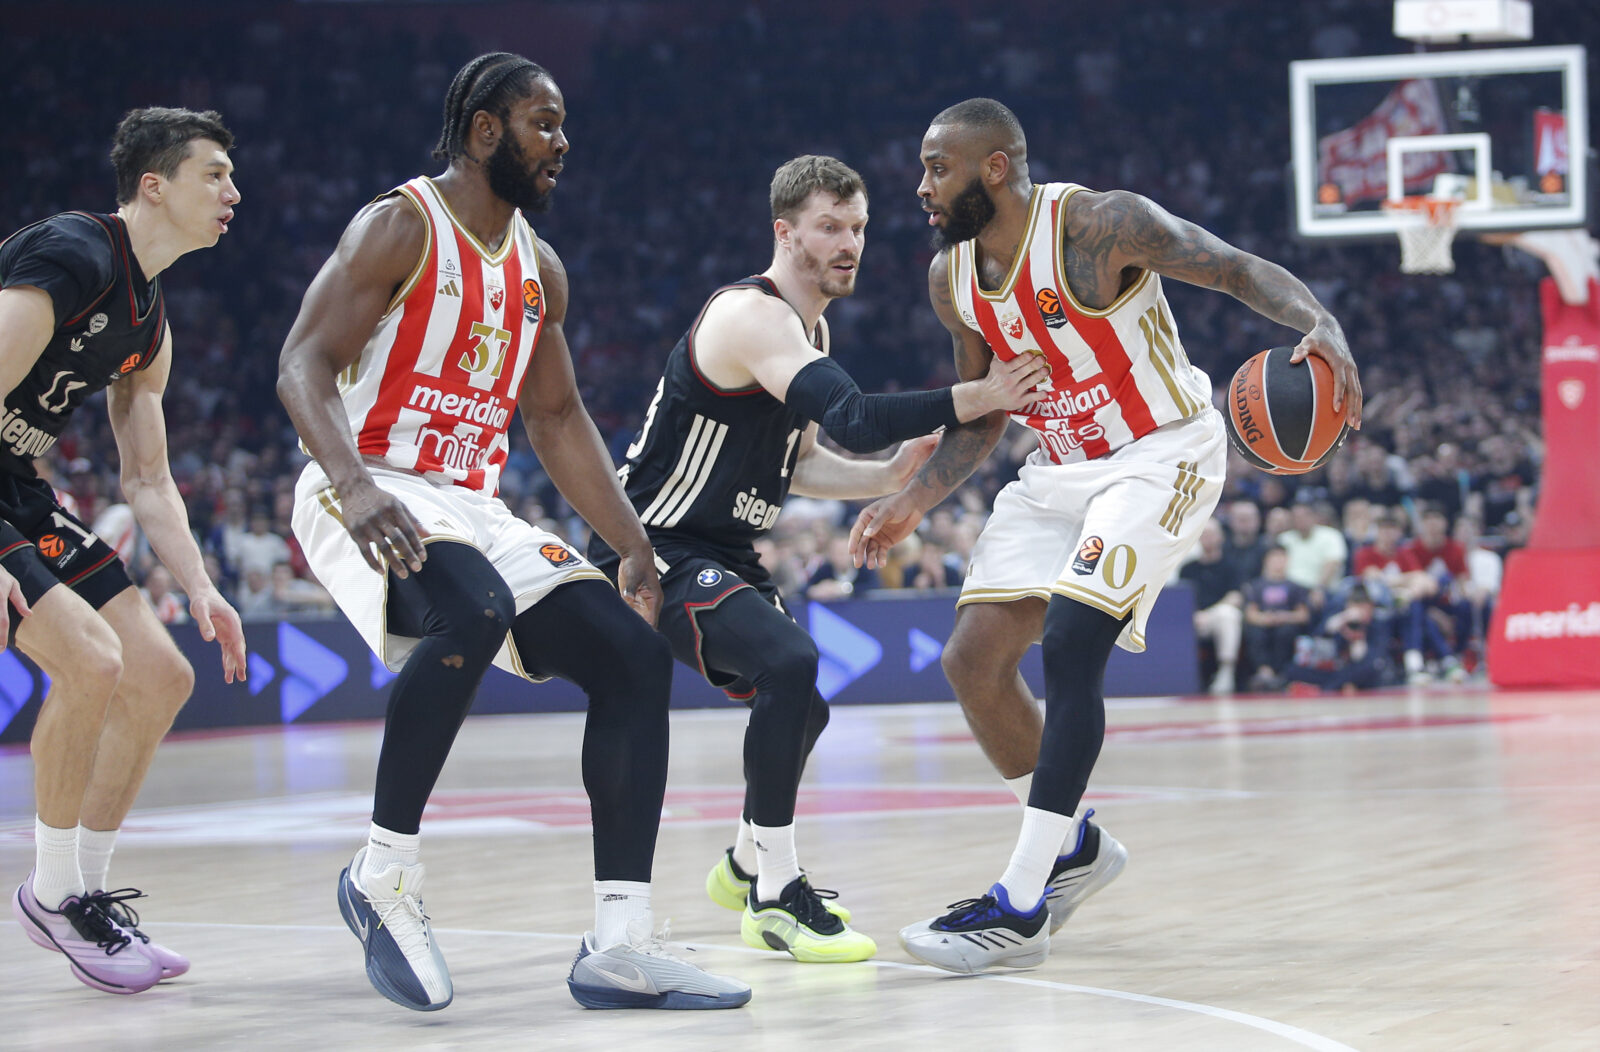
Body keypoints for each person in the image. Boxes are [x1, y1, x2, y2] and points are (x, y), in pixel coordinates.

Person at [277, 53, 748, 1012]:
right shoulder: (400, 225)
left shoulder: (540, 268)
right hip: (364, 483)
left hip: (473, 504)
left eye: (563, 124)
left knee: (631, 654)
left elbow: (559, 420)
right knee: (471, 612)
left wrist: (632, 546)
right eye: (544, 122)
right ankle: (382, 876)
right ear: (485, 130)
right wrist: (356, 487)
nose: (562, 142)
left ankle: (618, 943)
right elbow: (301, 363)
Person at [847, 98, 1361, 973]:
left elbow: (1232, 269)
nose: (922, 186)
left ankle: (1019, 904)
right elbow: (985, 412)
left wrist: (1321, 322)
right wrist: (917, 501)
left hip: (1160, 452)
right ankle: (1075, 848)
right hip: (1059, 469)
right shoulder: (952, 278)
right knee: (971, 661)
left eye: (938, 167)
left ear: (996, 166)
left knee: (1076, 640)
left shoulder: (1096, 224)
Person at [587, 155, 1046, 964]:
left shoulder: (809, 331)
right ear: (785, 232)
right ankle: (775, 896)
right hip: (653, 547)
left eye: (859, 227)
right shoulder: (751, 316)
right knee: (792, 666)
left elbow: (794, 460)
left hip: (720, 547)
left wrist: (884, 477)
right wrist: (978, 395)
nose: (850, 243)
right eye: (830, 226)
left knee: (805, 705)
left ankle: (740, 864)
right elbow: (855, 413)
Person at [2, 107, 248, 995]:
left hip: (17, 490)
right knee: (91, 660)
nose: (233, 192)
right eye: (214, 174)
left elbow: (146, 480)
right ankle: (54, 895)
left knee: (158, 673)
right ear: (155, 185)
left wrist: (204, 587)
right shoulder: (75, 254)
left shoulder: (150, 320)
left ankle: (82, 895)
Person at [1179, 518, 1244, 694]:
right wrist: (1193, 615)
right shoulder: (1188, 568)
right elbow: (1180, 598)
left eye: (1211, 534)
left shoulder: (1230, 566)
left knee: (1229, 614)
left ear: (1221, 537)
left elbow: (1235, 597)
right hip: (1191, 619)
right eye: (1203, 534)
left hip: (1215, 617)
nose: (1207, 538)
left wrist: (1207, 614)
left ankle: (1226, 672)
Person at [1242, 545, 1313, 689]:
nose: (1278, 562)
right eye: (1274, 557)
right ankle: (1264, 671)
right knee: (1255, 632)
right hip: (1262, 623)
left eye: (1281, 557)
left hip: (1287, 624)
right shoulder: (1256, 586)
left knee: (1285, 632)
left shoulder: (1295, 587)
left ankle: (1280, 673)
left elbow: (1303, 614)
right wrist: (1265, 619)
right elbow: (1250, 613)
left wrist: (1284, 617)